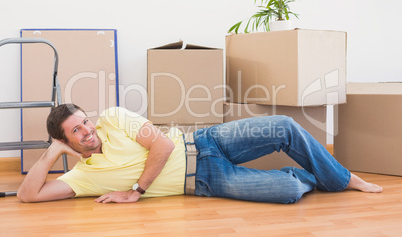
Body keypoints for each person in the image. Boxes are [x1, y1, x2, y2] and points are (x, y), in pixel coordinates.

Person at [17, 104, 382, 204]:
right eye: (75, 132)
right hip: (206, 181)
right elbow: (27, 195)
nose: (87, 132)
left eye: (85, 122)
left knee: (283, 125)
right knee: (287, 193)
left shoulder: (113, 118)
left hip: (204, 142)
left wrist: (136, 191)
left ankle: (342, 179)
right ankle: (307, 176)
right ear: (66, 141)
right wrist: (52, 154)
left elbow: (163, 145)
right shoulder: (82, 177)